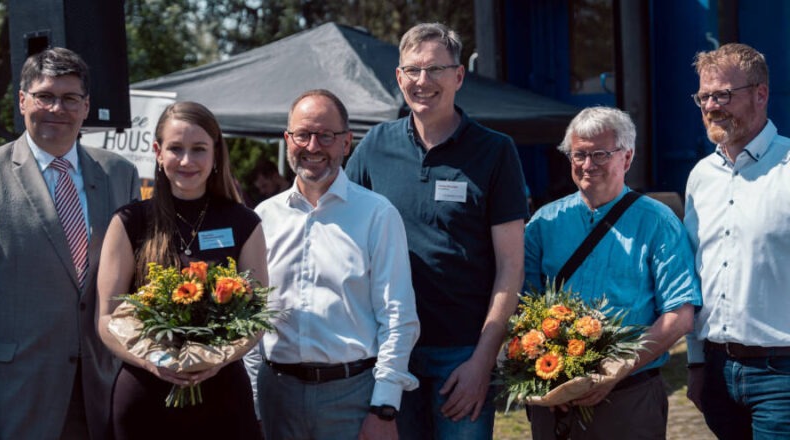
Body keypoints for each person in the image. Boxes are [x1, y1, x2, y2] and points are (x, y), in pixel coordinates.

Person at [346, 23, 527, 439]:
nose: (422, 81)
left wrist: (483, 360)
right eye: (412, 70)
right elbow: (346, 238)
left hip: (462, 353)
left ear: (459, 76)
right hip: (389, 353)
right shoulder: (375, 145)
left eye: (435, 70)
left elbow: (511, 268)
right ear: (398, 77)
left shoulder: (495, 151)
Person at [524, 106, 701, 439]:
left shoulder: (658, 223)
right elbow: (523, 306)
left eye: (601, 154)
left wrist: (616, 370)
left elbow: (680, 315)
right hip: (554, 401)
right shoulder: (543, 224)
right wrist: (550, 379)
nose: (588, 165)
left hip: (629, 398)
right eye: (579, 155)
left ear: (628, 157)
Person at [0, 47, 140, 439]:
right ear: (22, 100)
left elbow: (137, 282)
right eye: (45, 96)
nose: (57, 108)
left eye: (70, 98)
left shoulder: (119, 174)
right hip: (16, 399)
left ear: (86, 106)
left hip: (101, 395)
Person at [254, 89, 419, 440]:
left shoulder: (377, 214)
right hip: (276, 395)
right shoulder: (262, 218)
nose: (313, 146)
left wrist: (384, 408)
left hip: (352, 398)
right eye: (302, 134)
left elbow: (398, 317)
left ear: (346, 143)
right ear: (287, 140)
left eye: (326, 135)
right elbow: (250, 319)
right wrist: (253, 400)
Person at [96, 101, 268, 439]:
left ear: (216, 154)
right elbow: (106, 319)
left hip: (223, 401)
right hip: (146, 399)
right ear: (158, 152)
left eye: (199, 149)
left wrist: (216, 358)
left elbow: (257, 315)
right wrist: (154, 360)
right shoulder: (130, 222)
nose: (187, 161)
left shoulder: (244, 222)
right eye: (176, 148)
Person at [684, 43, 790, 439]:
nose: (711, 106)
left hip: (782, 376)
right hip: (716, 373)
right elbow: (694, 273)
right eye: (704, 96)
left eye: (723, 94)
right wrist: (696, 363)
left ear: (760, 94)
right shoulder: (701, 176)